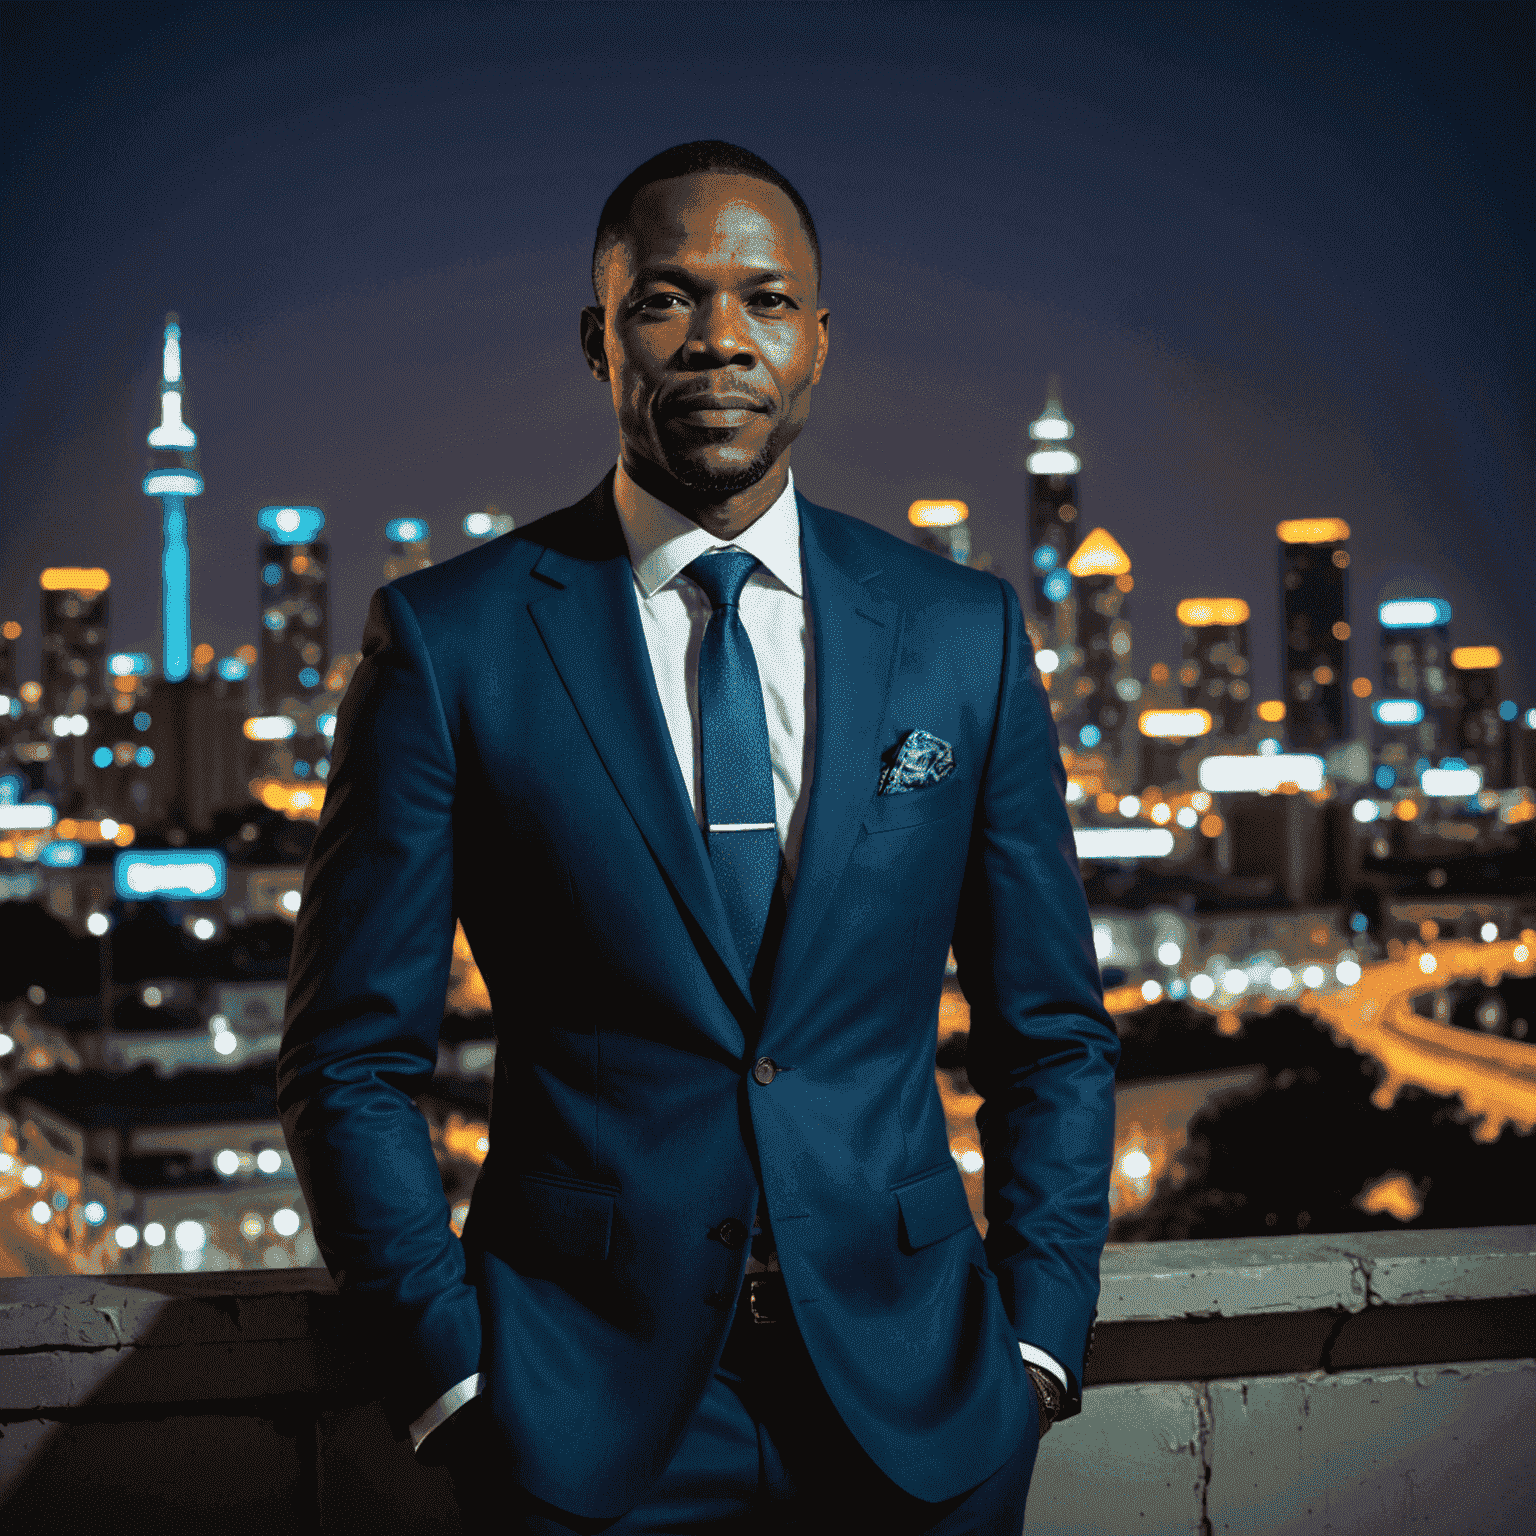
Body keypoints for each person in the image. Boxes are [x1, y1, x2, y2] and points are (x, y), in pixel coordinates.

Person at [277, 139, 1118, 1534]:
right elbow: (349, 1057)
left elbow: (1054, 1033)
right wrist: (450, 1377)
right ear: (599, 338)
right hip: (578, 1416)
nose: (720, 339)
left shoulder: (961, 636)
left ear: (819, 342)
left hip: (923, 1407)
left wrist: (1037, 1341)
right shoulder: (452, 641)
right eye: (667, 300)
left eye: (766, 301)